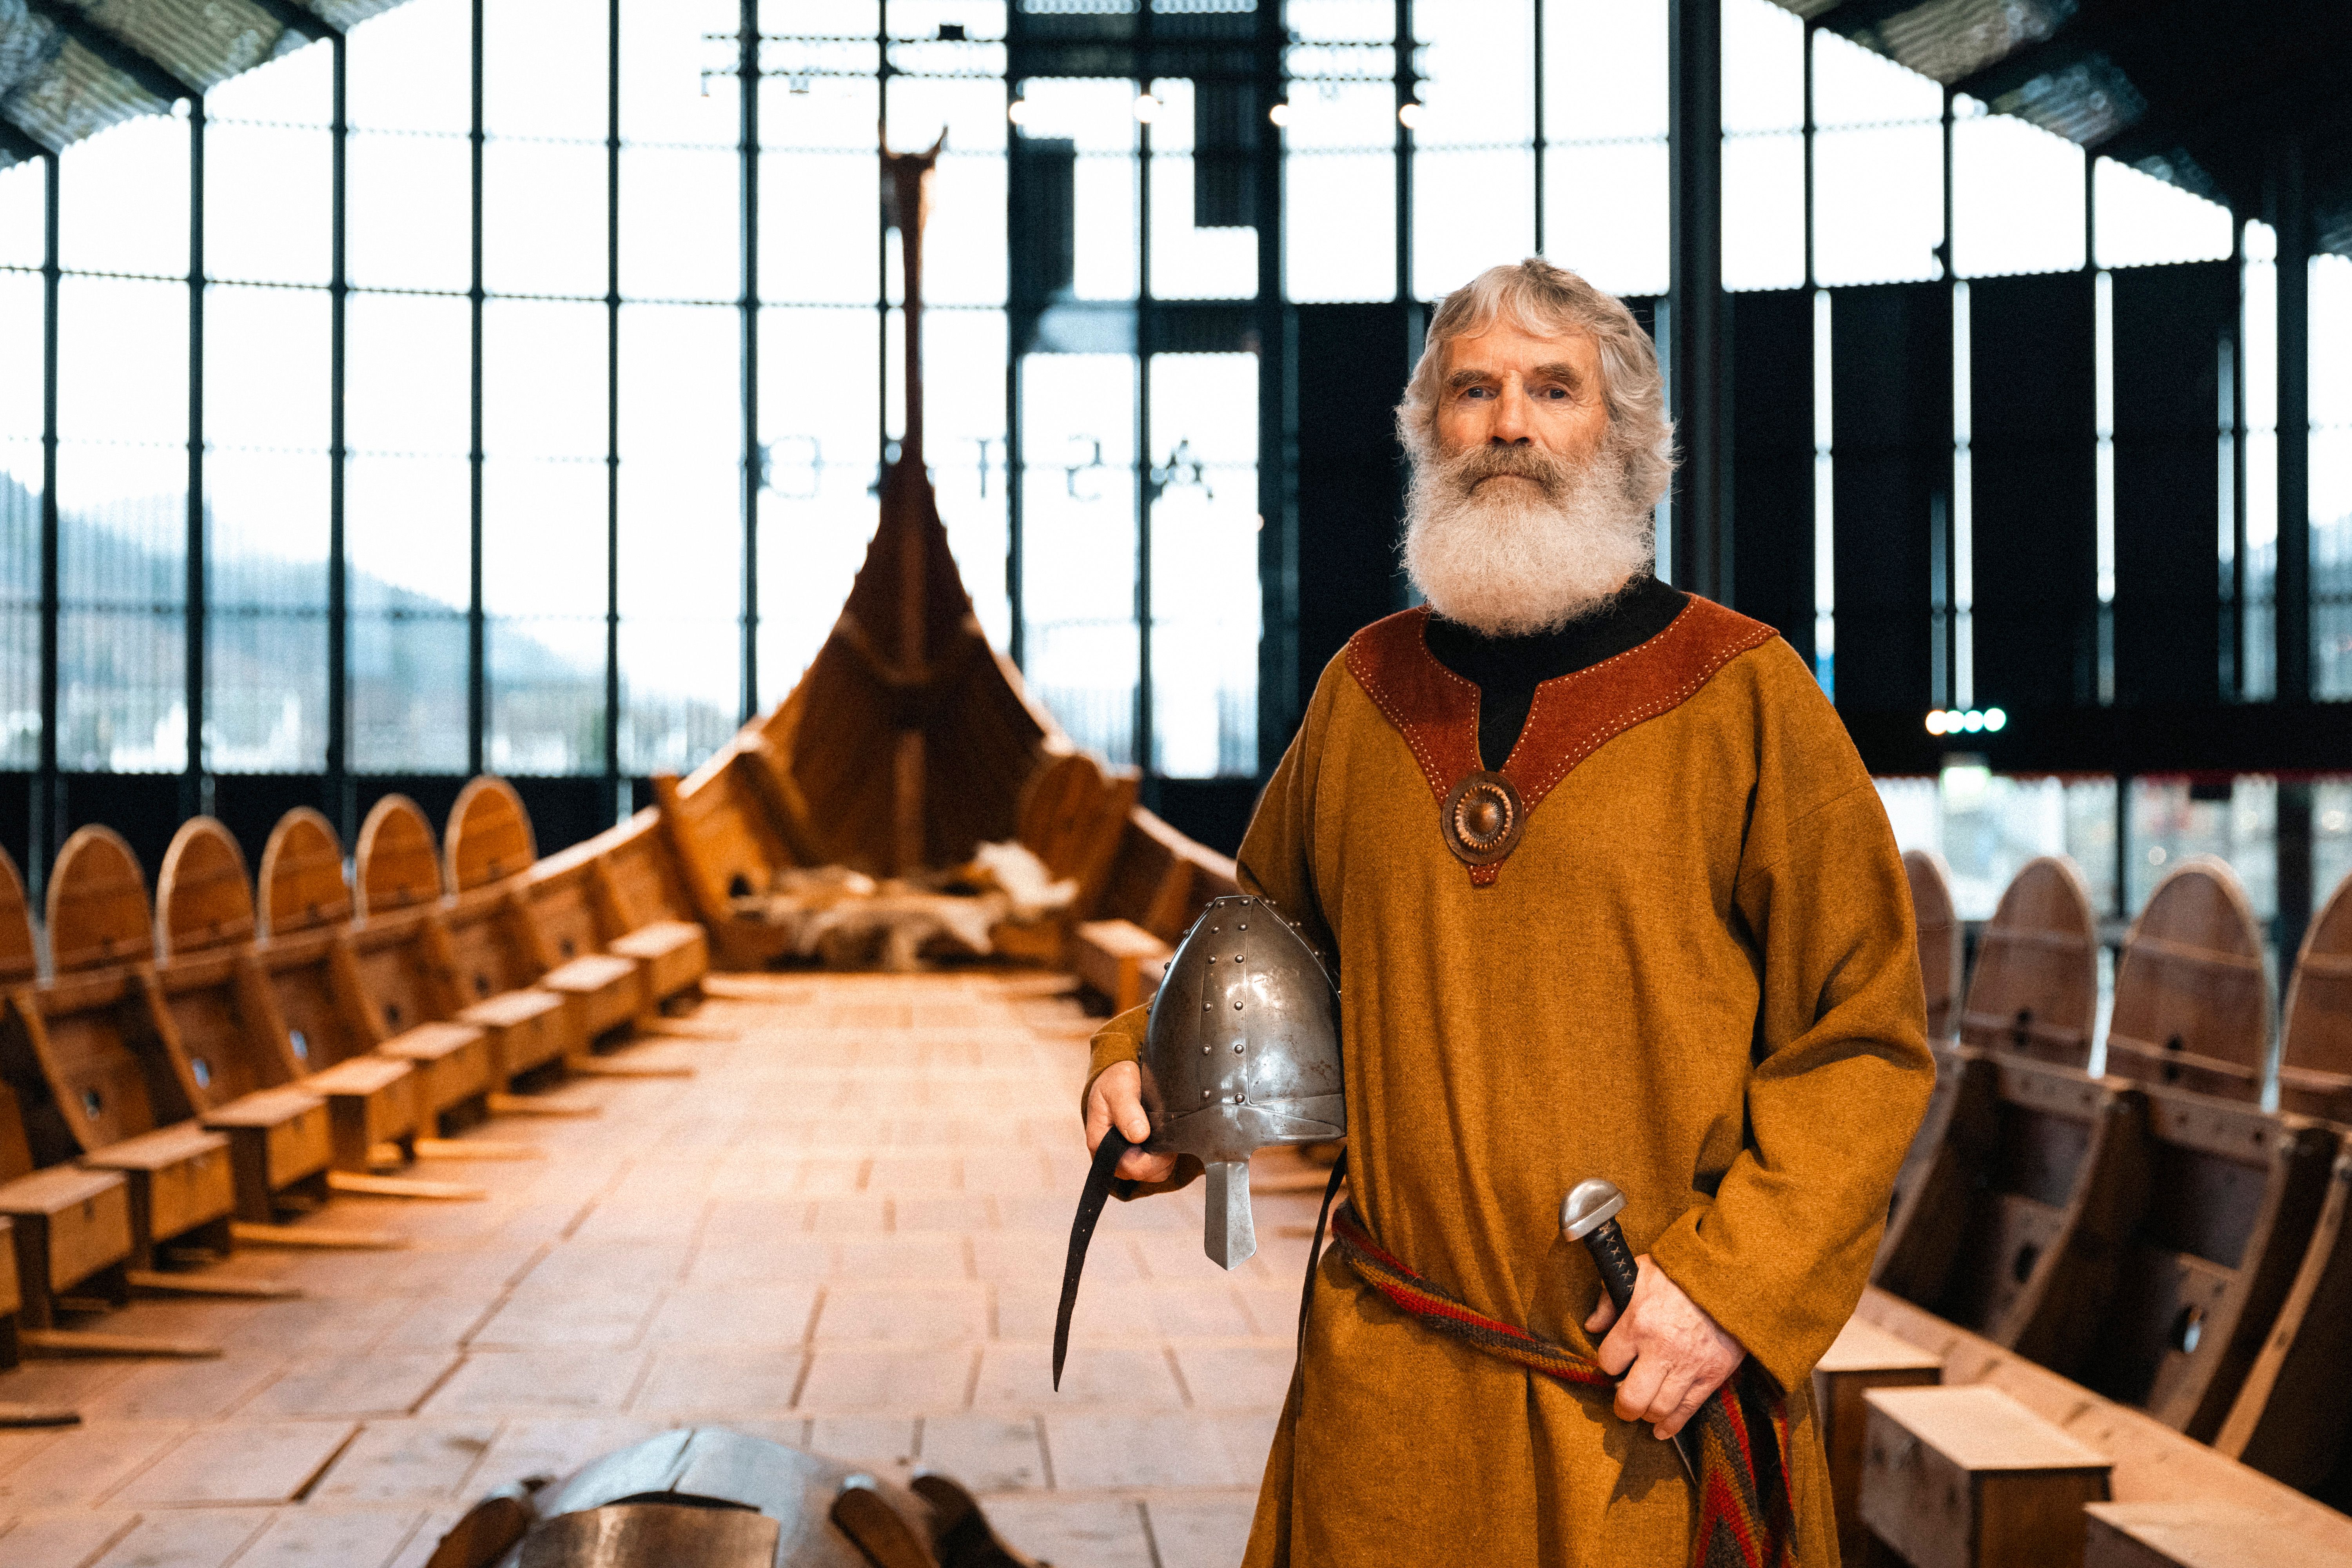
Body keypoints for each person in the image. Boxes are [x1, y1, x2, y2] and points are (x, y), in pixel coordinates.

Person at [1080, 257, 1933, 1566]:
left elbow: (1862, 1038)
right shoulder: (1367, 692)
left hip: (1643, 1395)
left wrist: (1729, 1291)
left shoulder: (1747, 696)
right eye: (1472, 390)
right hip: (1392, 1398)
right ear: (1431, 431)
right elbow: (1270, 943)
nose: (1510, 425)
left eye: (1554, 388)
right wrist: (1156, 1079)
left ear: (1629, 440)